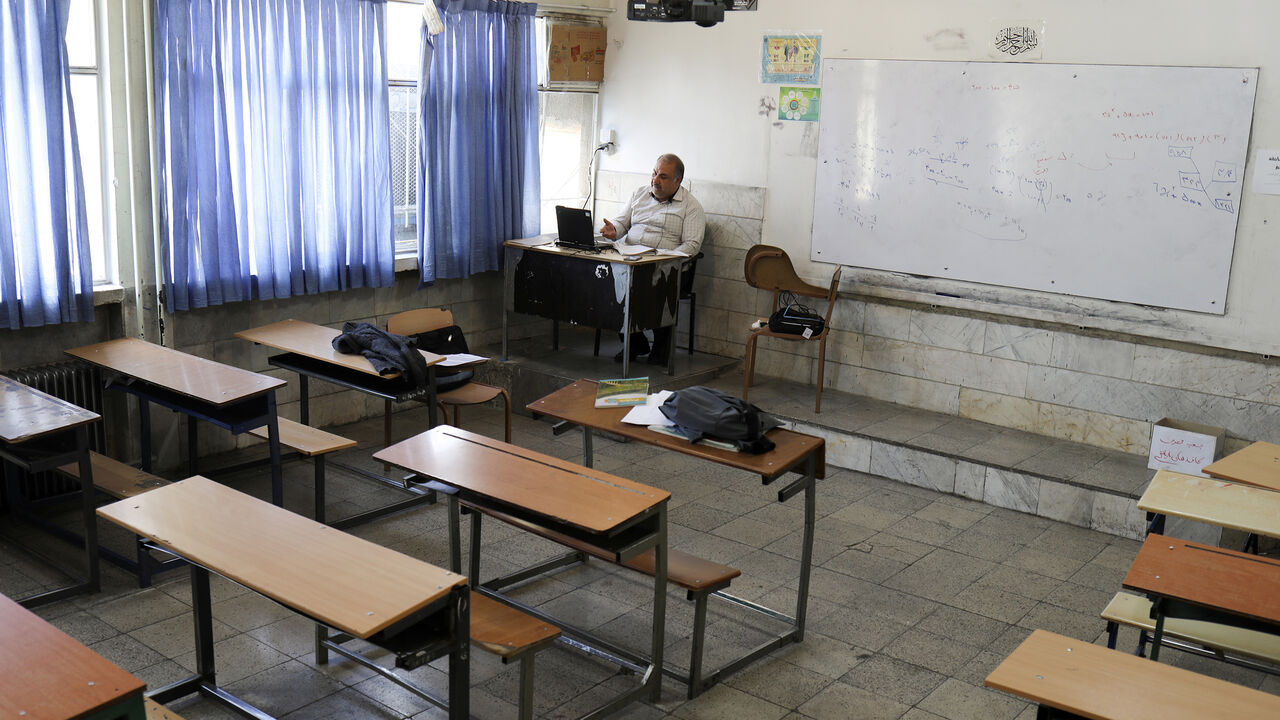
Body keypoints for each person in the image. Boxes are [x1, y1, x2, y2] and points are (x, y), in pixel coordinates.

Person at [601, 153, 706, 363]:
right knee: (605, 283)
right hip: (632, 262)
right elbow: (622, 223)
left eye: (663, 177)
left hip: (668, 268)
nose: (655, 180)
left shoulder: (691, 207)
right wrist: (614, 230)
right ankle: (635, 342)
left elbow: (692, 245)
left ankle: (660, 348)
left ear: (678, 180)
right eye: (654, 173)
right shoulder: (639, 194)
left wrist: (663, 258)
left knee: (655, 283)